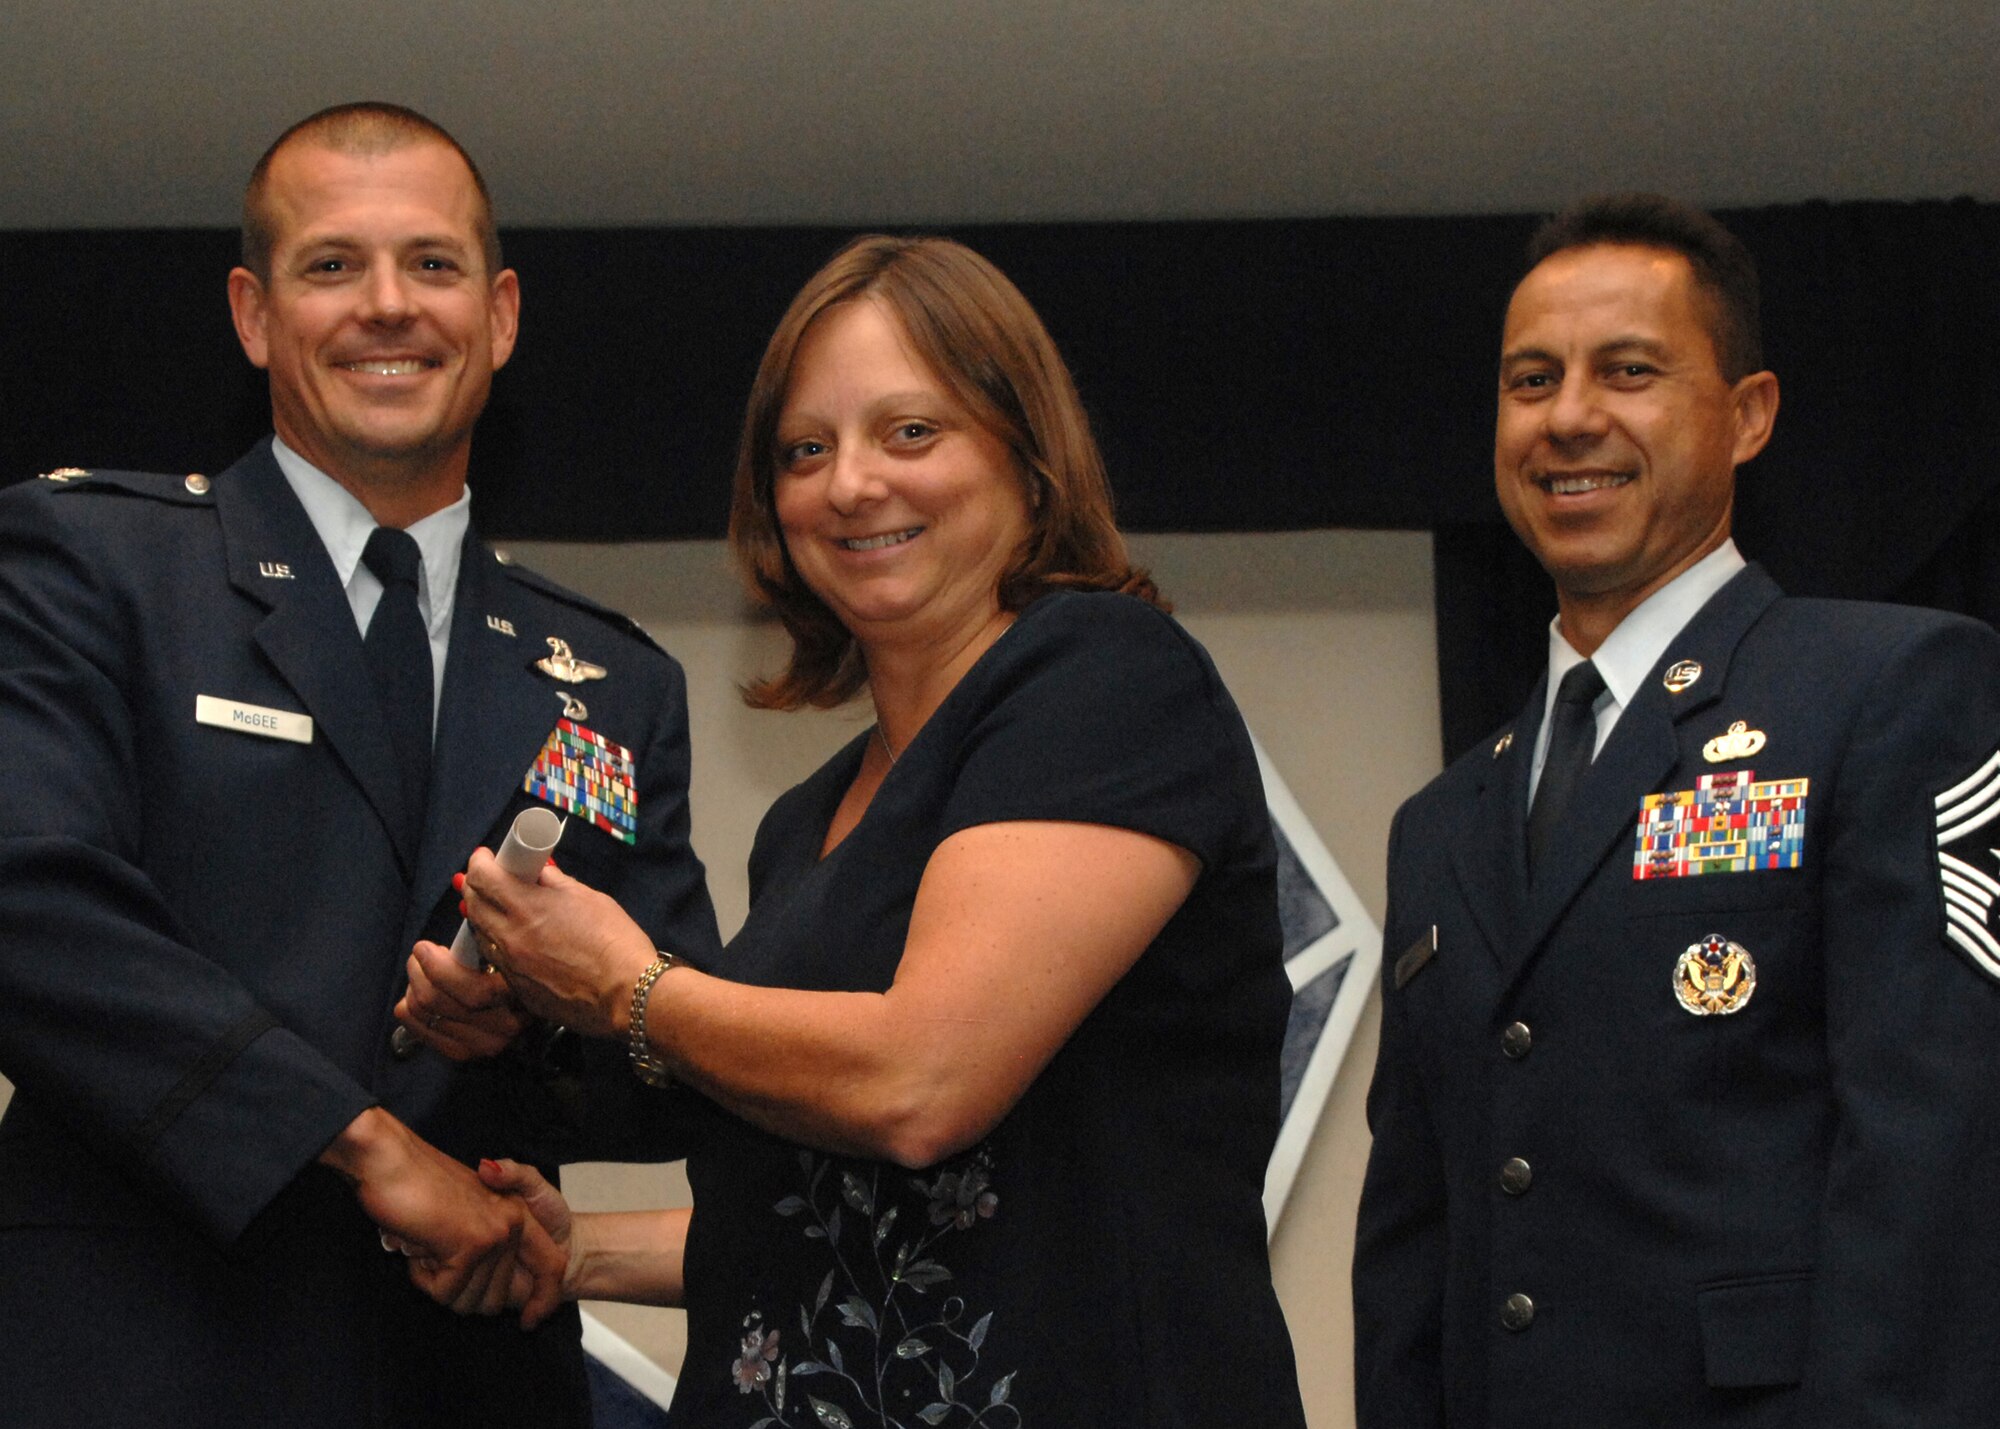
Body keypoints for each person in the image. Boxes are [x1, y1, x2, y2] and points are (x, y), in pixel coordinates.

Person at [409, 234, 1308, 1426]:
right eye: (805, 450)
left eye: (910, 432)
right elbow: (843, 1213)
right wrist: (575, 1251)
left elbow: (921, 1085)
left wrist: (628, 985)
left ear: (1027, 459)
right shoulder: (803, 824)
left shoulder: (1105, 679)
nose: (849, 485)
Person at [0, 103, 719, 1426]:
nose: (389, 307)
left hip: (477, 1378)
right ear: (254, 314)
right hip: (141, 1358)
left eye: (433, 266)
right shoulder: (94, 564)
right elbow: (31, 909)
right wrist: (366, 1145)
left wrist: (539, 1017)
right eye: (333, 266)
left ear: (498, 316)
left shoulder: (612, 678)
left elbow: (675, 1054)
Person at [1353, 192, 2000, 1425]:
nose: (1569, 417)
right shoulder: (1441, 820)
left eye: (1629, 370)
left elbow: (1936, 1168)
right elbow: (1413, 1254)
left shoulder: (1884, 691)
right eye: (1529, 379)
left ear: (1746, 414)